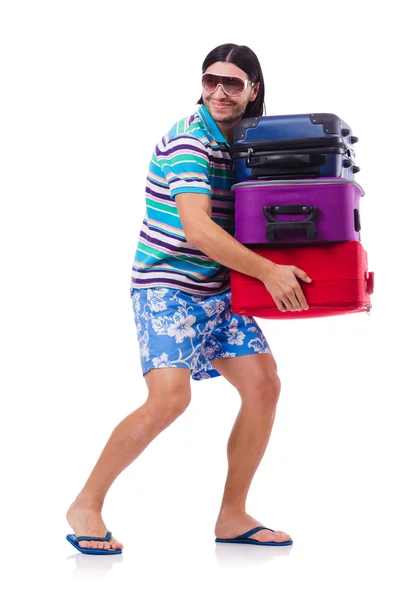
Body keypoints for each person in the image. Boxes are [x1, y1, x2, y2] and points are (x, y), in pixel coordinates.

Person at [66, 43, 312, 554]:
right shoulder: (189, 141)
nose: (219, 92)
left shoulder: (246, 140)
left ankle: (232, 516)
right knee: (171, 399)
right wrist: (268, 273)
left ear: (253, 91)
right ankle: (86, 504)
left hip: (222, 288)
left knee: (264, 385)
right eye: (209, 81)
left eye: (232, 83)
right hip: (168, 286)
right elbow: (198, 229)